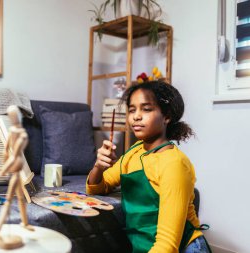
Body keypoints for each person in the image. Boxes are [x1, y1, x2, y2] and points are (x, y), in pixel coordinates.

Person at [86, 81, 211, 253]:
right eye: (132, 110)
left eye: (146, 109)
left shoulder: (174, 164)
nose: (136, 116)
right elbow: (97, 188)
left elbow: (167, 244)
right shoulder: (134, 153)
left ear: (166, 116)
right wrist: (99, 166)